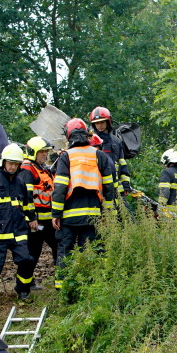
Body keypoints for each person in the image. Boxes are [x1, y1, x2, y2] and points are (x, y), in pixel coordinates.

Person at [50, 119, 116, 290]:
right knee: (90, 252)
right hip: (92, 215)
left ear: (69, 135)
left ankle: (63, 290)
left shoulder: (66, 157)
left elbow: (60, 188)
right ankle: (90, 289)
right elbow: (109, 187)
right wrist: (108, 212)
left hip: (69, 216)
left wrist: (56, 214)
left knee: (65, 252)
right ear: (87, 134)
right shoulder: (99, 156)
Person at [0, 144, 38, 301]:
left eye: (16, 163)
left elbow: (27, 204)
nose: (13, 166)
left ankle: (23, 291)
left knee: (26, 260)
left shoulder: (20, 183)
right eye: (10, 163)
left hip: (18, 232)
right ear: (3, 162)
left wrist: (32, 219)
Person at [19, 137, 58, 286]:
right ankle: (23, 286)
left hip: (47, 220)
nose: (45, 154)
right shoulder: (28, 168)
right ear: (33, 152)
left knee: (57, 246)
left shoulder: (42, 168)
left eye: (46, 151)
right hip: (36, 221)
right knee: (32, 253)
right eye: (42, 151)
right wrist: (31, 218)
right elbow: (27, 196)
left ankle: (61, 279)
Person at [89, 106, 133, 198]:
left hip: (116, 187)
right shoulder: (90, 141)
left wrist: (125, 183)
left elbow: (122, 163)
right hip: (97, 185)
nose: (99, 125)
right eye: (96, 123)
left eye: (102, 122)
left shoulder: (116, 141)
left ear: (108, 122)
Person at [157, 148, 177, 218]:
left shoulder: (166, 172)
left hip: (168, 213)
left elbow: (164, 191)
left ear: (168, 160)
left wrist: (160, 208)